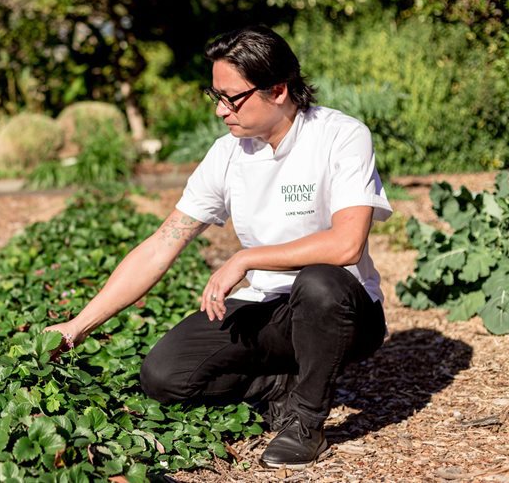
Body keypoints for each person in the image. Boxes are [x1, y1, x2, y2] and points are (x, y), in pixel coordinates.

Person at [45, 24, 392, 469]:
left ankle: (306, 421)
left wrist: (246, 257)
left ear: (279, 90)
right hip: (269, 309)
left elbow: (346, 244)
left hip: (344, 313)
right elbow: (162, 245)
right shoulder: (227, 154)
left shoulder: (340, 136)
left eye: (232, 97)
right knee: (164, 376)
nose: (221, 111)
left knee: (320, 282)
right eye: (216, 97)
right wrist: (77, 327)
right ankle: (282, 384)